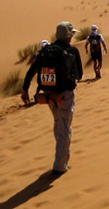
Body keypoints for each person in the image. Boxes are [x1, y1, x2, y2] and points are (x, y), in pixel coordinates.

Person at [21, 21, 83, 176]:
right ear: (68, 36)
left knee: (58, 124)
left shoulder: (45, 51)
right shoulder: (71, 51)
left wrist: (25, 89)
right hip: (64, 95)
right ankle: (60, 166)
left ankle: (63, 158)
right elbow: (80, 74)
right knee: (64, 129)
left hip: (48, 95)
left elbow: (32, 70)